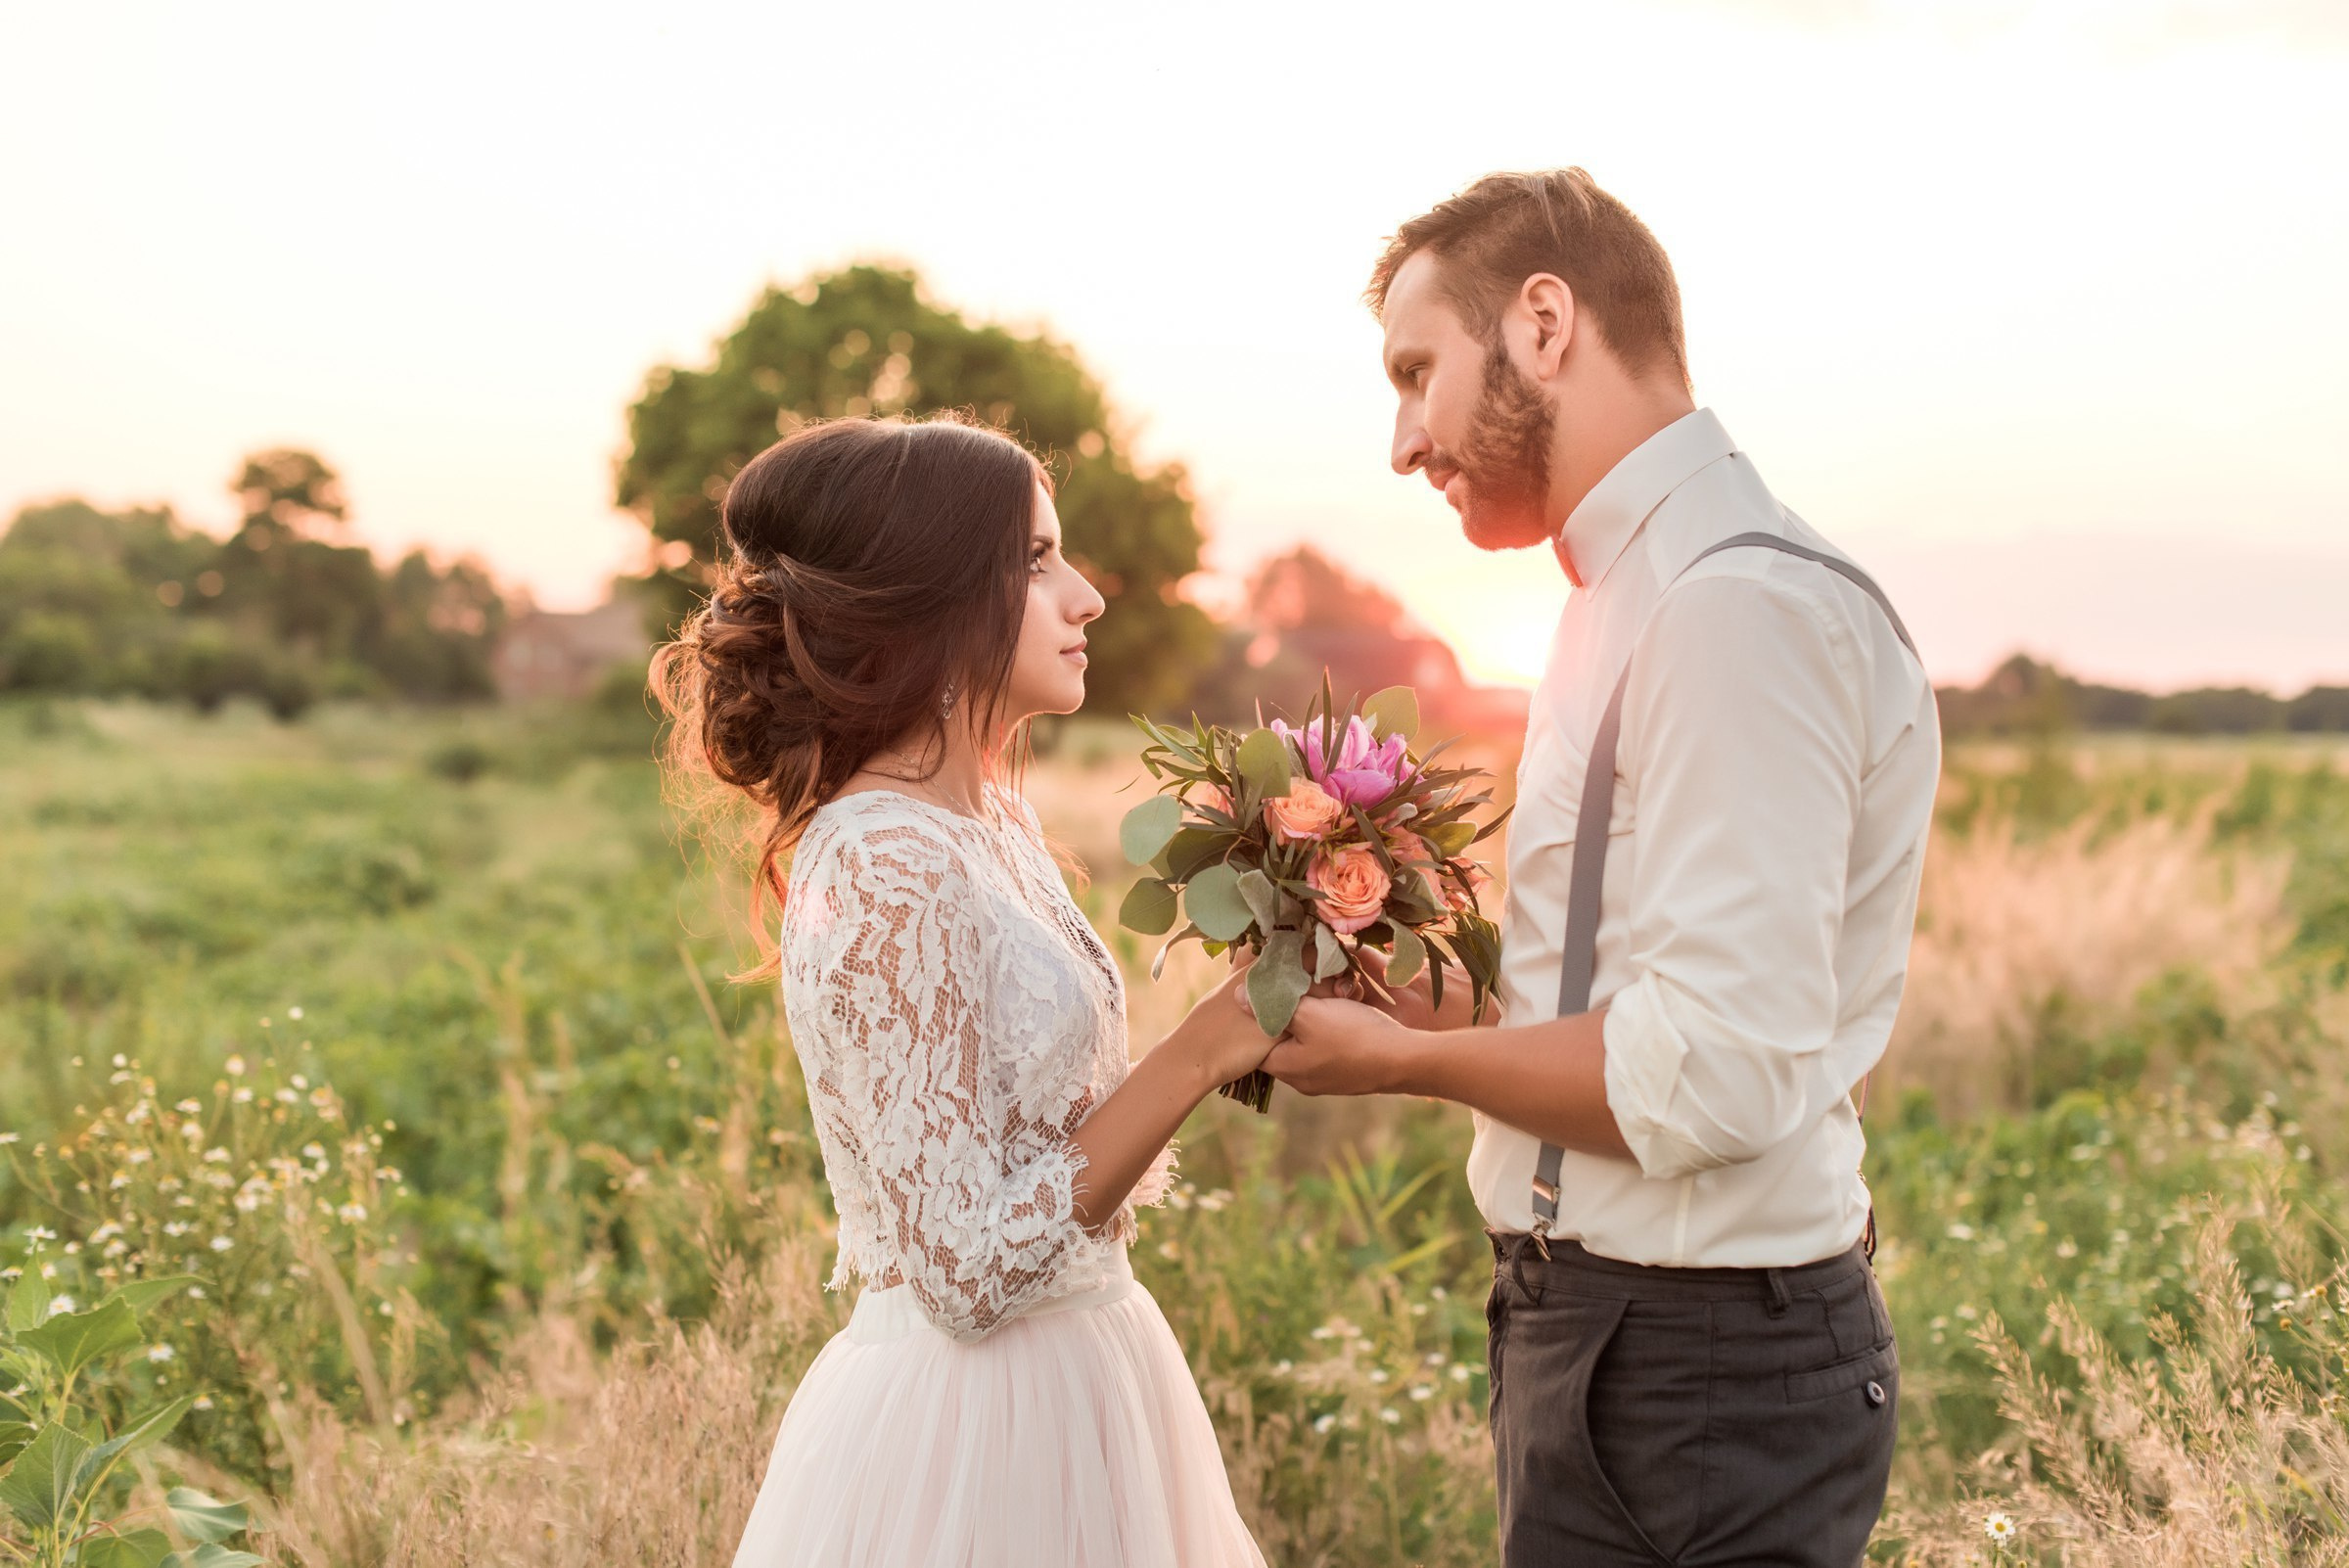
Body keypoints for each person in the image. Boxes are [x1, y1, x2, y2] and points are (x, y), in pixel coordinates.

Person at [1264, 169, 1942, 1566]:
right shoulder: (1614, 599)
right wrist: (1426, 1005)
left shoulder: (1731, 608)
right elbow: (1626, 998)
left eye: (1416, 372)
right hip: (1612, 1332)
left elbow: (1714, 1067)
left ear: (1546, 322)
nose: (1403, 441)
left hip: (1696, 1358)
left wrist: (1403, 1068)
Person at [658, 413, 1269, 1568]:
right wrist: (1198, 1054)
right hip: (971, 1439)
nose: (1086, 597)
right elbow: (962, 1271)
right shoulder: (882, 861)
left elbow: (1033, 1144)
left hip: (1096, 1374)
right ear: (930, 601)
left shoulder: (992, 821)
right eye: (1036, 563)